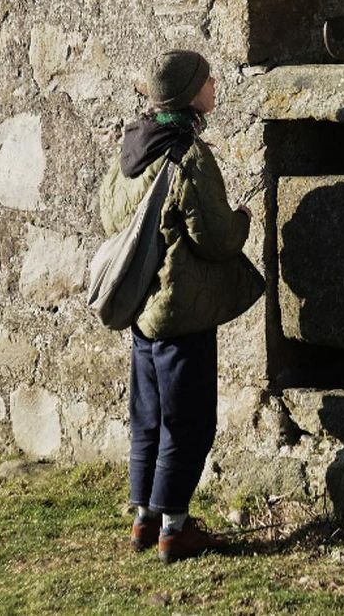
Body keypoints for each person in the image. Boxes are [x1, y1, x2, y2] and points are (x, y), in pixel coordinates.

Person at [98, 49, 264, 563]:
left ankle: (144, 519)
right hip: (180, 312)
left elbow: (111, 218)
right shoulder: (187, 156)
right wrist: (243, 219)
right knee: (188, 419)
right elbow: (214, 237)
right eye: (207, 79)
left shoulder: (132, 148)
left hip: (142, 310)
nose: (215, 83)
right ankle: (176, 527)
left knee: (148, 416)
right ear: (191, 94)